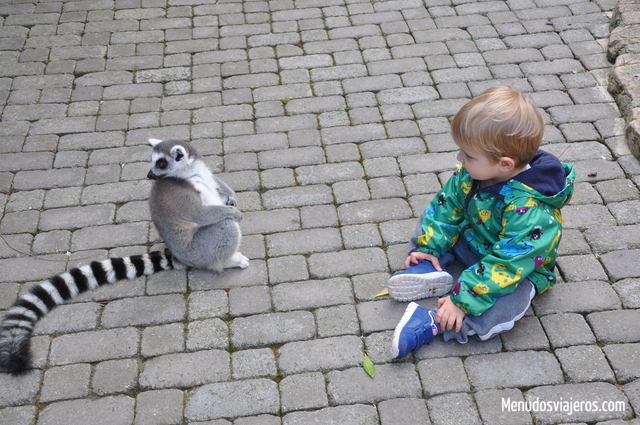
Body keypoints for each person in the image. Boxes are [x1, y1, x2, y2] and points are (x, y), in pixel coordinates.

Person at [389, 86, 575, 358]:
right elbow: (447, 206)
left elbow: (508, 263)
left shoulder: (531, 210)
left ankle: (436, 323)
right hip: (474, 241)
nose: (459, 159)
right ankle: (429, 261)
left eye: (468, 155)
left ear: (504, 164)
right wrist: (429, 244)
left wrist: (463, 300)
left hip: (518, 270)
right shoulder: (472, 173)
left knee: (507, 307)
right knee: (440, 216)